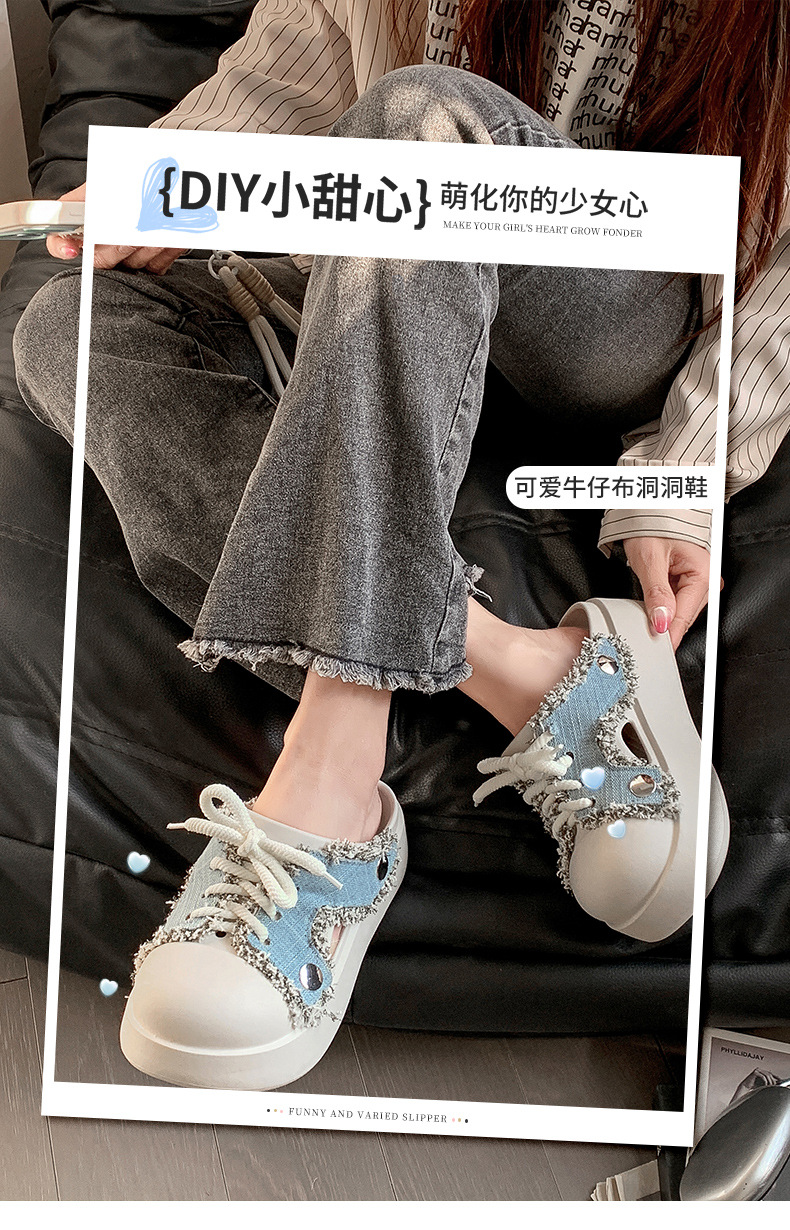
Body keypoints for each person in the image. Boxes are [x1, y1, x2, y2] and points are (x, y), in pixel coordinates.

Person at [12, 0, 786, 1090]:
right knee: (68, 325)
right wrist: (169, 184)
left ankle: (332, 778)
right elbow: (280, 85)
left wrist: (684, 473)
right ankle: (519, 668)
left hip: (612, 313)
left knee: (425, 116)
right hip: (386, 279)